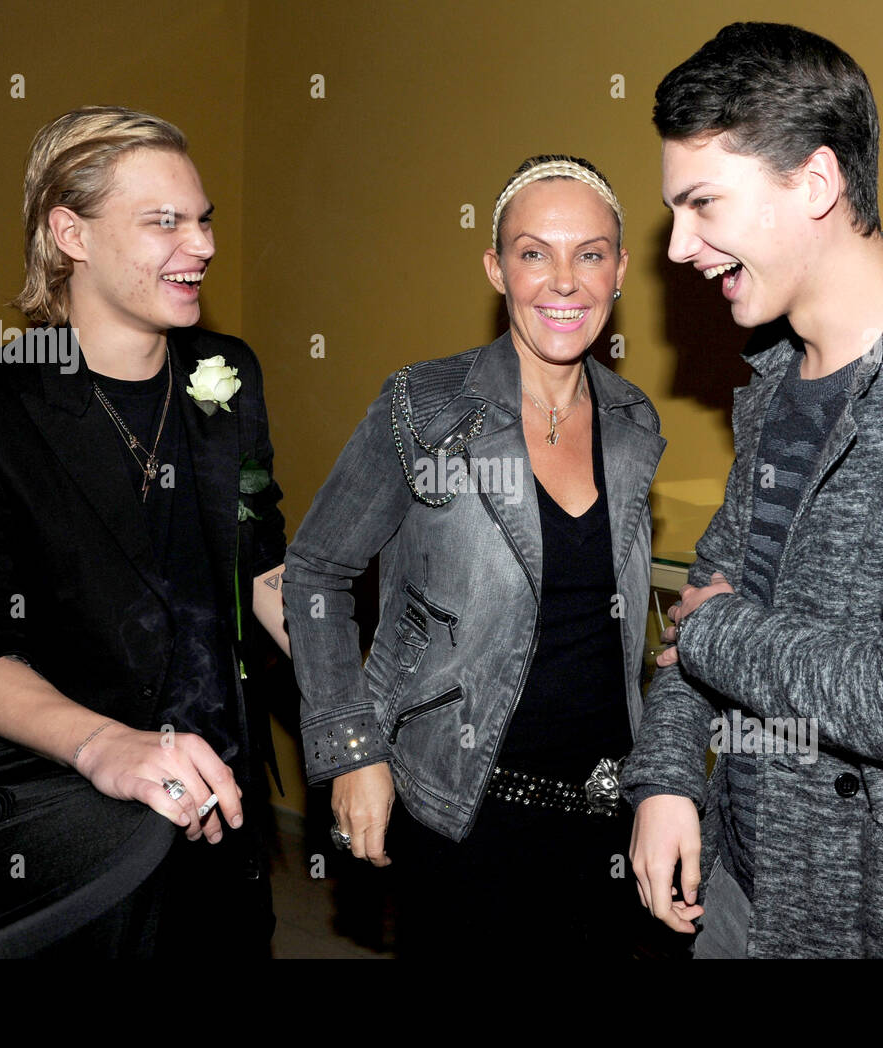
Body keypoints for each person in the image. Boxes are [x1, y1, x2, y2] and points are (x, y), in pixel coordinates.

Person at [621, 22, 883, 958]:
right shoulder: (773, 374)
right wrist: (663, 780)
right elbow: (711, 591)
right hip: (738, 881)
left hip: (875, 920)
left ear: (814, 183)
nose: (681, 247)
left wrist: (715, 628)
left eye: (703, 205)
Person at [0, 106, 290, 957]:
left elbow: (261, 570)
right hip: (73, 810)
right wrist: (105, 746)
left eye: (203, 219)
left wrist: (366, 681)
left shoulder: (228, 375)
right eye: (164, 222)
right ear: (69, 233)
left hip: (224, 805)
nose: (203, 245)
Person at [283, 154, 675, 957]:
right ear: (496, 267)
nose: (564, 281)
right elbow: (317, 572)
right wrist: (353, 749)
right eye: (534, 253)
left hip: (614, 813)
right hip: (465, 811)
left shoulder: (634, 419)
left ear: (621, 270)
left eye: (590, 253)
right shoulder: (424, 404)